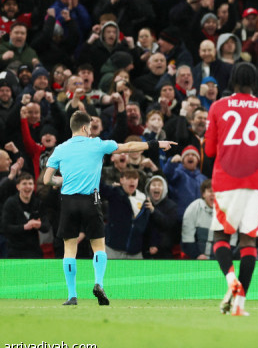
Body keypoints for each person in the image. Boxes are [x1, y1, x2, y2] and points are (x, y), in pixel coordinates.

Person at [43, 111, 174, 306]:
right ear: (86, 127)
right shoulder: (97, 144)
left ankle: (72, 296)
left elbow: (47, 180)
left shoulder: (60, 149)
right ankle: (99, 283)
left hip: (69, 202)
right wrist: (156, 144)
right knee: (98, 246)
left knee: (70, 248)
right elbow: (128, 147)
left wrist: (61, 179)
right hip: (91, 200)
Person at [205, 62, 258, 317]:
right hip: (255, 183)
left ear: (232, 80)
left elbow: (209, 151)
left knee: (220, 238)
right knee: (249, 241)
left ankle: (230, 280)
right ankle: (239, 304)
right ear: (254, 81)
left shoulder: (218, 107)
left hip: (225, 180)